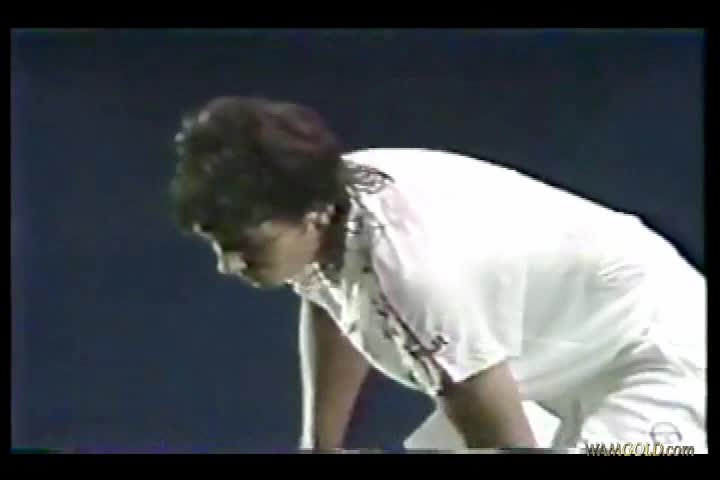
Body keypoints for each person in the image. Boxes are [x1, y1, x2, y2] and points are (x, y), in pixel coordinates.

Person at [168, 96, 706, 452]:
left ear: (312, 216)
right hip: (552, 361)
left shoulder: (412, 278)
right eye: (218, 243)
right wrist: (321, 446)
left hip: (658, 353)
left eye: (245, 247)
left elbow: (507, 447)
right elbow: (330, 296)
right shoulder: (320, 200)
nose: (228, 265)